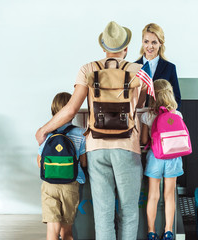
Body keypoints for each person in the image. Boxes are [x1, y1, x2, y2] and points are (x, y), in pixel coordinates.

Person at [36, 21, 147, 240]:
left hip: (96, 147)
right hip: (128, 147)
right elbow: (140, 108)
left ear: (104, 45)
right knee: (129, 212)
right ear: (126, 48)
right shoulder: (139, 71)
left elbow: (70, 110)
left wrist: (43, 130)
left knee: (103, 214)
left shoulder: (88, 69)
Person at [37, 92, 87, 240]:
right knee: (67, 232)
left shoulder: (47, 133)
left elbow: (40, 162)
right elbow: (83, 162)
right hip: (70, 185)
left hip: (49, 185)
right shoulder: (81, 133)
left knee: (52, 232)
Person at [140, 79, 184, 240]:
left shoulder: (147, 116)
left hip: (155, 157)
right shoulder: (177, 115)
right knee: (169, 195)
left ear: (153, 95)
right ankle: (168, 231)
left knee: (153, 195)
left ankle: (151, 232)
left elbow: (144, 141)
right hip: (173, 157)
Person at [136, 23, 181, 110]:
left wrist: (168, 117)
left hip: (161, 117)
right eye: (146, 42)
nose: (150, 46)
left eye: (154, 42)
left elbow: (176, 99)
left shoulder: (169, 68)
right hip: (138, 118)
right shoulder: (134, 67)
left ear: (160, 43)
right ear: (142, 42)